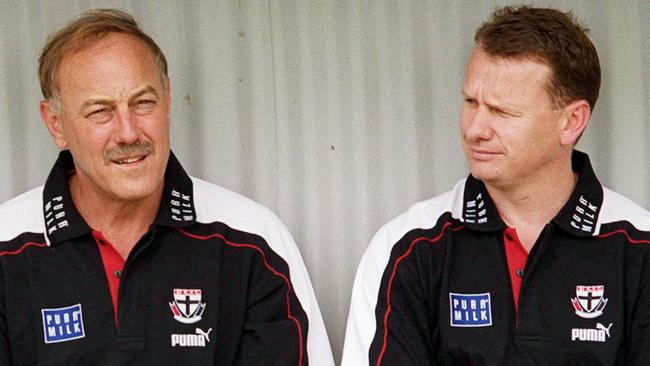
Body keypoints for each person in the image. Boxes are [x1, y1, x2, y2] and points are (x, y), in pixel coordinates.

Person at [0, 8, 334, 365]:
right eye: (100, 111)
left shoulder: (252, 242)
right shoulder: (7, 246)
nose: (128, 133)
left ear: (168, 100)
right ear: (56, 125)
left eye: (143, 103)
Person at [342, 5, 650, 365]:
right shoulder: (408, 248)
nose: (475, 129)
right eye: (471, 102)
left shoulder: (640, 248)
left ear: (572, 121)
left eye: (503, 112)